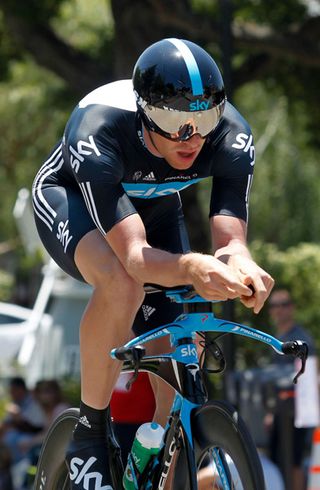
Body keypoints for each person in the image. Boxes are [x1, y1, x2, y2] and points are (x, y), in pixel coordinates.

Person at [32, 38, 274, 488]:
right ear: (145, 112)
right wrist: (192, 267)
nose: (192, 137)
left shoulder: (231, 136)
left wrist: (240, 266)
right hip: (71, 198)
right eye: (174, 122)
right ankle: (90, 432)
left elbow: (230, 240)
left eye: (203, 120)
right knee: (123, 284)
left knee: (189, 320)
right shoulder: (98, 127)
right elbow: (136, 258)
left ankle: (159, 442)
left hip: (156, 206)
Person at [265, 289, 317, 490]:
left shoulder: (302, 338)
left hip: (298, 411)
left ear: (292, 308)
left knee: (295, 461)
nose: (279, 310)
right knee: (277, 458)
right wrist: (270, 412)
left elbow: (310, 375)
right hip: (279, 411)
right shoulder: (275, 339)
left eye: (283, 304)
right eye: (274, 305)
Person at [0, 377, 46, 465]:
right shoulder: (16, 403)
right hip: (18, 443)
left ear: (20, 389)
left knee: (15, 440)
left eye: (13, 390)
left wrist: (19, 419)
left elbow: (36, 427)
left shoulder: (34, 402)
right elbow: (6, 423)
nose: (11, 393)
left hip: (33, 440)